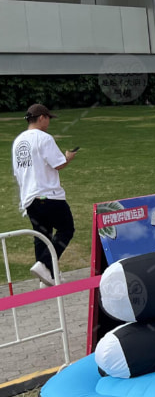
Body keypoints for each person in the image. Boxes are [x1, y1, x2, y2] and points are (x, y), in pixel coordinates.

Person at [11, 104, 77, 286]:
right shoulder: (44, 138)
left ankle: (48, 276)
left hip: (29, 197)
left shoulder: (18, 141)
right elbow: (58, 164)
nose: (49, 122)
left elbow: (17, 171)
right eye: (48, 118)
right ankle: (45, 265)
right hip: (48, 194)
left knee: (42, 235)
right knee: (66, 229)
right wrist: (68, 157)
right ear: (41, 118)